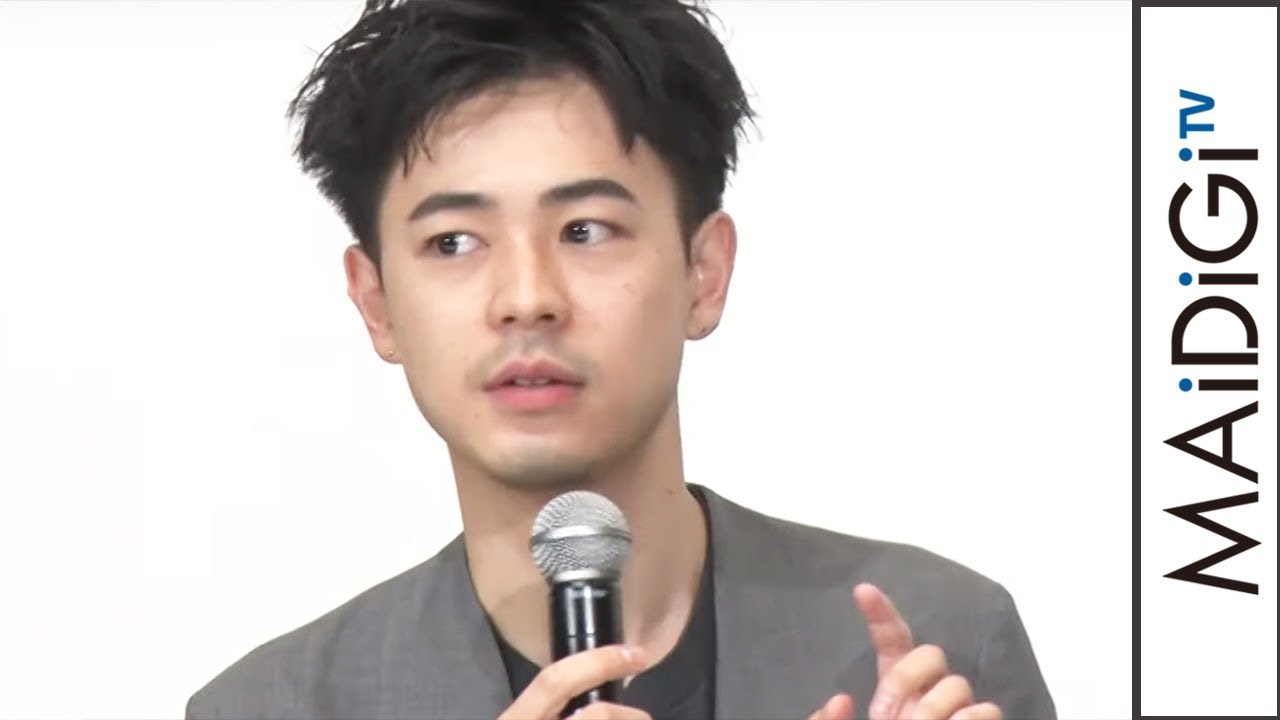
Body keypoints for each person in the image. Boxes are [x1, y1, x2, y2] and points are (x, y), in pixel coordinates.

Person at [186, 1, 1057, 718]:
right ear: (376, 302)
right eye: (454, 242)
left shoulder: (943, 646)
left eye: (585, 230)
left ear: (704, 273)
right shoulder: (270, 708)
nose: (527, 297)